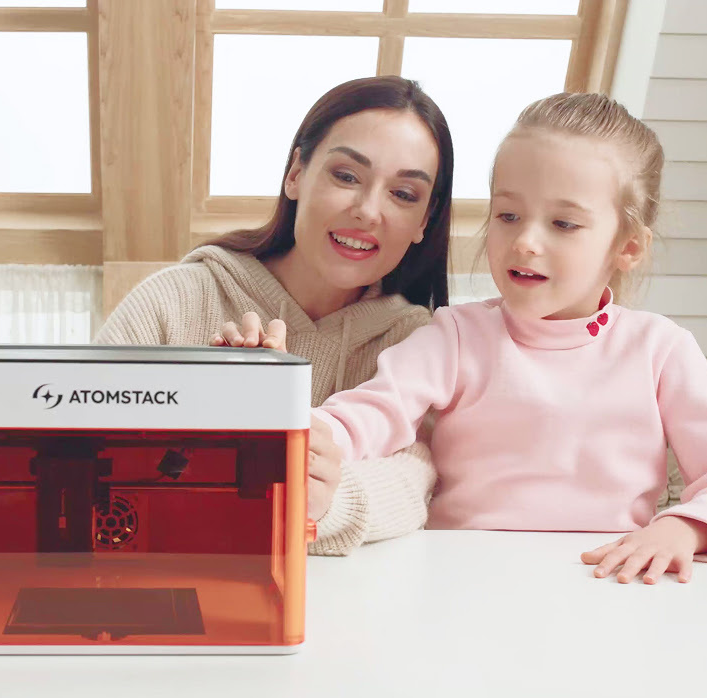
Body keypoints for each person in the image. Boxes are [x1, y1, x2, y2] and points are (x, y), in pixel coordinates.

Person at [311, 92, 707, 582]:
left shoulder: (660, 350)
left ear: (628, 246)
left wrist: (681, 530)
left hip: (604, 589)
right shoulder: (456, 335)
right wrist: (306, 439)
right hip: (460, 585)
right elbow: (371, 412)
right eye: (508, 215)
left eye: (563, 223)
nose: (525, 242)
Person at [95, 76, 454, 556]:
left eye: (404, 194)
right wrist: (198, 418)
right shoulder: (176, 300)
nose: (368, 211)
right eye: (347, 176)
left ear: (424, 221)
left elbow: (417, 481)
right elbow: (79, 452)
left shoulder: (416, 341)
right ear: (296, 175)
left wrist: (324, 501)